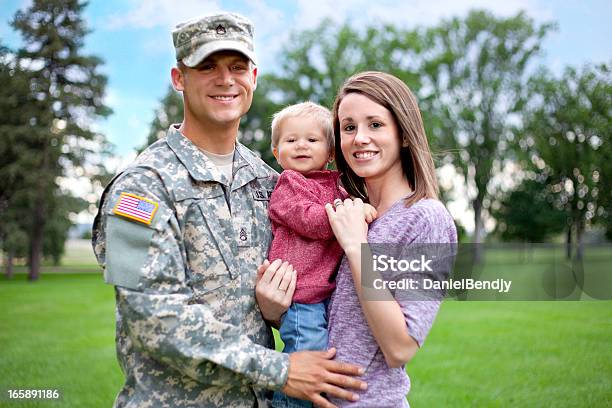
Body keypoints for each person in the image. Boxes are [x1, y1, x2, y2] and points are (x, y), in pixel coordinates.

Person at [92, 12, 365, 408]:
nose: (225, 80)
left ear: (253, 78)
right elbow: (152, 319)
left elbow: (307, 272)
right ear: (178, 78)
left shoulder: (267, 181)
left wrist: (275, 309)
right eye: (207, 66)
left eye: (237, 66)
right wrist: (282, 370)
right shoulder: (140, 190)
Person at [324, 71, 458, 406]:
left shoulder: (426, 219)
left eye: (375, 125)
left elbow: (400, 347)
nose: (359, 138)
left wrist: (358, 248)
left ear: (403, 134)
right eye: (349, 127)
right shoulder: (350, 214)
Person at [263, 102, 377, 408]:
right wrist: (350, 212)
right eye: (291, 140)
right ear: (276, 152)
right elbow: (310, 220)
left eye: (312, 140)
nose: (301, 145)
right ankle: (288, 405)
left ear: (330, 152)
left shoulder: (338, 183)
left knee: (330, 357)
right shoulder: (289, 184)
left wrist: (354, 205)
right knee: (306, 356)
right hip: (299, 293)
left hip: (325, 291)